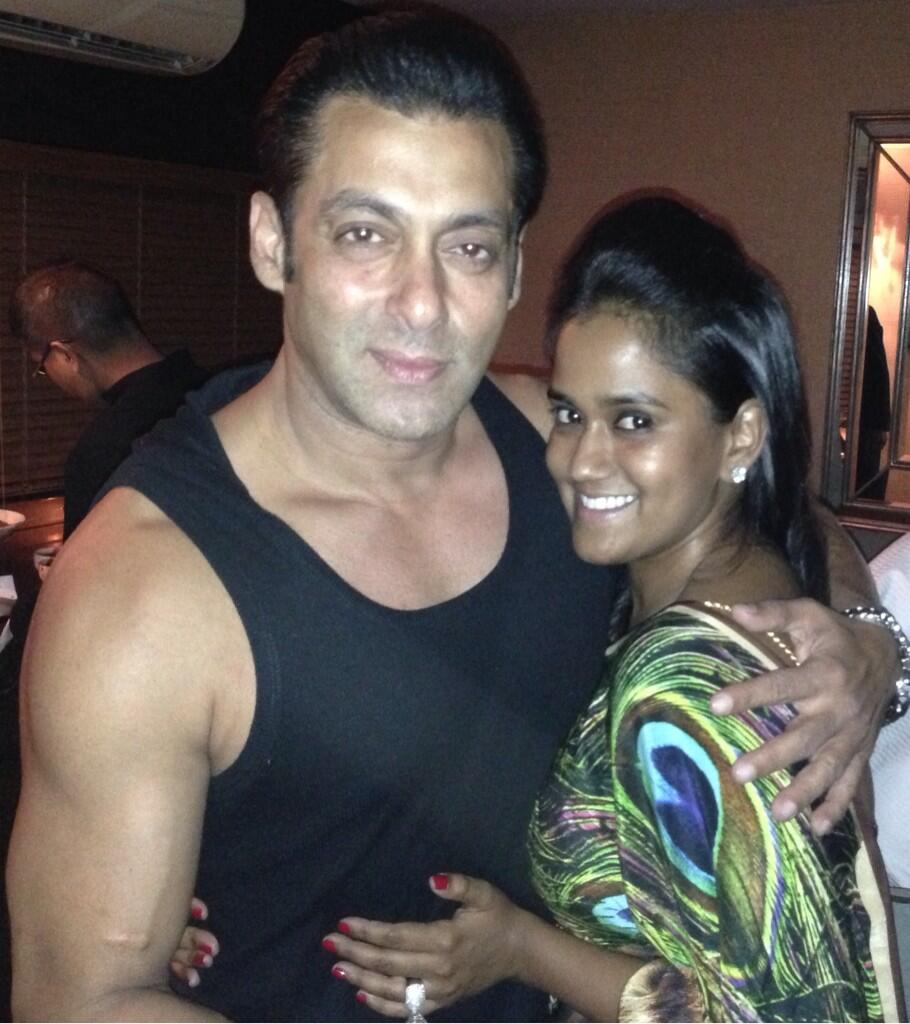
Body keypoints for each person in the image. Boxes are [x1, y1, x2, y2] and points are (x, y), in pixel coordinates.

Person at [5, 10, 902, 1022]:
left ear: (513, 267)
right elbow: (75, 1003)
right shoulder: (143, 588)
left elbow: (772, 502)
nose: (422, 301)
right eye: (365, 234)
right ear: (272, 241)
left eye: (467, 246)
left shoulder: (557, 445)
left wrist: (862, 641)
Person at [321, 197, 902, 1022]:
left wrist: (522, 949)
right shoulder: (755, 579)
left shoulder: (686, 681)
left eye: (634, 421)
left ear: (741, 437)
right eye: (569, 413)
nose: (581, 460)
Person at [10, 259, 208, 538]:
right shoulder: (223, 391)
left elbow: (84, 566)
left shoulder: (104, 451)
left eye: (42, 366)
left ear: (65, 355)